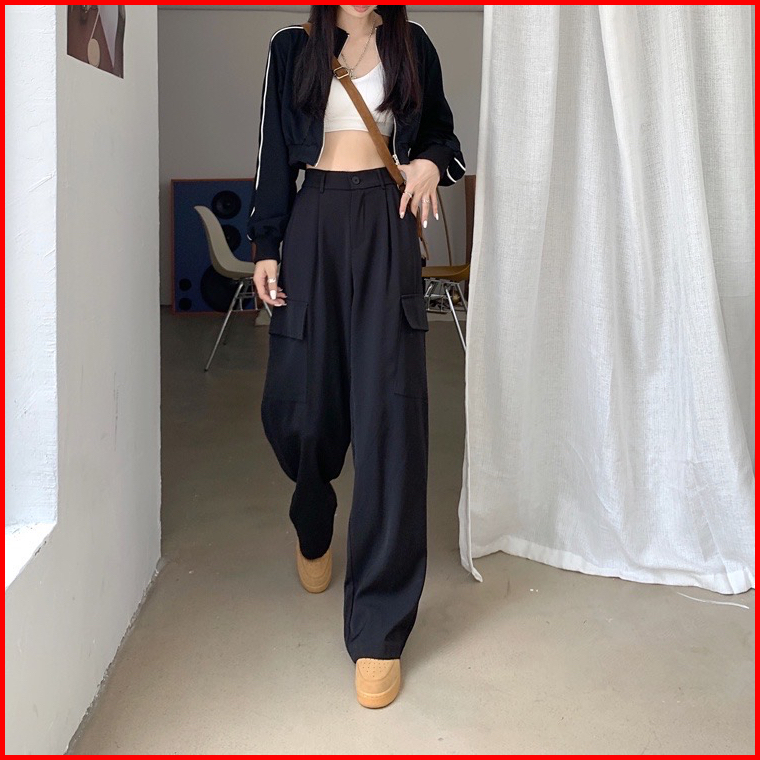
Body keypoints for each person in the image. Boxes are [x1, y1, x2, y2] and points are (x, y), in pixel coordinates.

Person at [247, 4, 465, 708]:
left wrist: (428, 161)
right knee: (303, 407)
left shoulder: (412, 44)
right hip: (313, 222)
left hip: (386, 220)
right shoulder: (293, 47)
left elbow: (442, 133)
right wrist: (267, 245)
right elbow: (271, 154)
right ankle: (313, 513)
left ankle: (379, 627)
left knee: (389, 419)